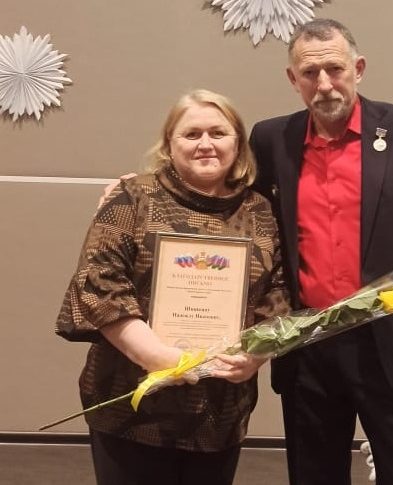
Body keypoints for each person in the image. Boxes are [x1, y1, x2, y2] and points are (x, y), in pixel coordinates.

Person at [249, 19, 393, 485]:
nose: (324, 84)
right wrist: (141, 185)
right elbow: (228, 201)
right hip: (307, 345)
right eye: (310, 73)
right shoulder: (271, 140)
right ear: (293, 79)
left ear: (359, 68)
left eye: (335, 68)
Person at [55, 89, 289, 485]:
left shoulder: (260, 210)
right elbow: (99, 283)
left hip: (219, 408)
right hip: (131, 402)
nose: (205, 144)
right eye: (191, 134)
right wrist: (156, 356)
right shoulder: (132, 197)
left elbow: (279, 293)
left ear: (238, 143)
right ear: (169, 144)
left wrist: (256, 354)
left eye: (218, 133)